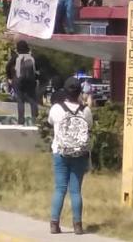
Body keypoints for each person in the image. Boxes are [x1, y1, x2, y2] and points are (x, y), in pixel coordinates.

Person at [48, 77, 93, 236]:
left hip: (60, 152)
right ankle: (78, 225)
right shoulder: (85, 110)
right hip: (79, 154)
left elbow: (50, 122)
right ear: (80, 92)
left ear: (64, 92)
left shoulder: (56, 108)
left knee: (60, 189)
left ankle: (54, 224)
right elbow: (90, 127)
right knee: (75, 191)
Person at [14, 41, 39, 126]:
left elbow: (17, 72)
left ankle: (21, 121)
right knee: (33, 101)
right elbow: (35, 70)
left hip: (21, 83)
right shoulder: (32, 58)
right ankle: (35, 121)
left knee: (20, 101)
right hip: (31, 82)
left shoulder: (18, 58)